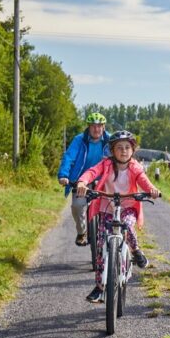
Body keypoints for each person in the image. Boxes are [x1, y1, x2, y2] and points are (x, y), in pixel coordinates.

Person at [75, 131, 162, 303]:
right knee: (100, 246)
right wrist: (82, 182)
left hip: (128, 206)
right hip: (107, 207)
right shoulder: (106, 164)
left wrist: (151, 189)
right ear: (112, 150)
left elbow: (143, 180)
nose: (123, 151)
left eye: (127, 147)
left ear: (133, 150)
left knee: (128, 226)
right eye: (119, 148)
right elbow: (92, 172)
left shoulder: (135, 167)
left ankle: (135, 251)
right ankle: (100, 287)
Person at [58, 113, 112, 246]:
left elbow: (119, 156)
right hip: (82, 180)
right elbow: (69, 157)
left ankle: (111, 235)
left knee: (111, 206)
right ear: (88, 127)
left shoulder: (110, 140)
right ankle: (82, 232)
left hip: (103, 180)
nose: (96, 129)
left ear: (104, 127)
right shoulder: (79, 140)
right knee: (77, 205)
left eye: (99, 126)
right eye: (93, 126)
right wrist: (64, 175)